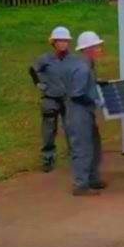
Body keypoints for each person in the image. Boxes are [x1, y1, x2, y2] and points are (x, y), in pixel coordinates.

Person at [64, 31, 106, 196]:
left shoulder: (87, 64)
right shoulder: (82, 68)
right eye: (96, 46)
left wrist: (97, 85)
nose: (99, 48)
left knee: (95, 145)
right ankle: (81, 185)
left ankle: (93, 179)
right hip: (78, 113)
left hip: (86, 113)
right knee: (83, 148)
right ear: (88, 49)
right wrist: (95, 101)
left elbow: (86, 85)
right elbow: (77, 94)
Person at [28, 26, 74, 172]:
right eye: (60, 41)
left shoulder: (72, 59)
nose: (63, 44)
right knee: (48, 129)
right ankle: (48, 158)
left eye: (65, 41)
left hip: (67, 98)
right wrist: (39, 84)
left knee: (71, 128)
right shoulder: (45, 59)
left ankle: (75, 157)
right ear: (53, 42)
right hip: (50, 99)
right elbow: (32, 69)